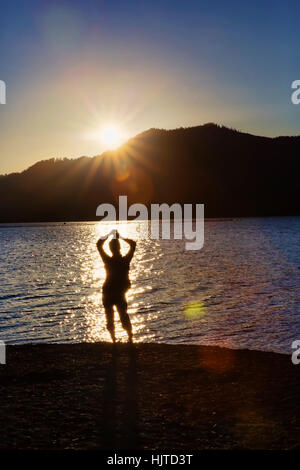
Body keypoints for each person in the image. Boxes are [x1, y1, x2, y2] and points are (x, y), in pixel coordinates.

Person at [97, 230, 136, 343]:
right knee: (123, 314)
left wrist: (109, 235)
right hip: (119, 292)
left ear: (110, 249)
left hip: (108, 291)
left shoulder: (107, 260)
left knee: (110, 316)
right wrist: (121, 237)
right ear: (119, 248)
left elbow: (99, 245)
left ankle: (114, 340)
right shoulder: (125, 260)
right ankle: (130, 338)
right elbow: (133, 244)